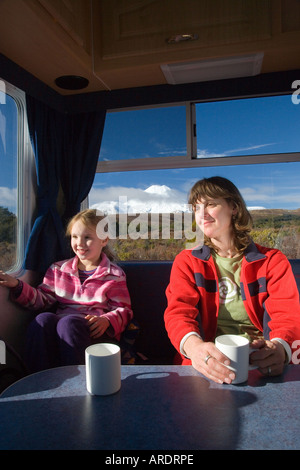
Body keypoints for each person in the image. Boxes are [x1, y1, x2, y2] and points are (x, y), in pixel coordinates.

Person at [164, 176, 300, 384]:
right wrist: (195, 347)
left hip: (260, 362)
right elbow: (178, 313)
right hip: (206, 361)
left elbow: (287, 315)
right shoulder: (187, 262)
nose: (202, 214)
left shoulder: (272, 261)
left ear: (234, 207)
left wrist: (280, 347)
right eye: (196, 207)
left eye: (210, 204)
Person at [0, 209, 133, 372]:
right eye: (75, 237)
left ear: (104, 240)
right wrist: (16, 285)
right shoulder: (58, 270)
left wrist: (106, 320)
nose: (80, 243)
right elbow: (42, 300)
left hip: (95, 331)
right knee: (42, 320)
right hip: (63, 327)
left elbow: (123, 310)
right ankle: (37, 377)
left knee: (68, 323)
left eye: (88, 238)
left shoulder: (114, 275)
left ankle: (78, 380)